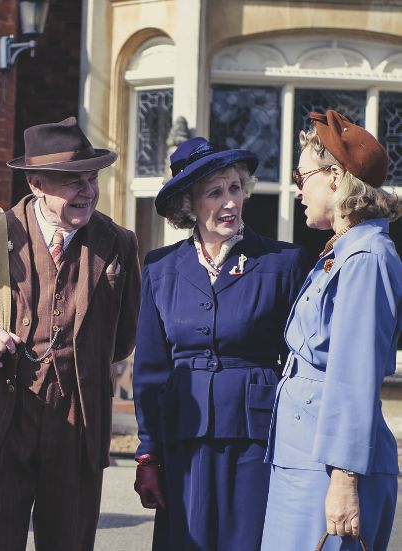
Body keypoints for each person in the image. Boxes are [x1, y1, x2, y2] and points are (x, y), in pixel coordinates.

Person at [0, 116, 141, 551]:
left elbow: (123, 338)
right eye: (72, 182)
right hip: (0, 420)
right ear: (35, 183)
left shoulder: (118, 243)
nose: (88, 191)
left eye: (92, 178)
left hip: (77, 424)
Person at [132, 137, 309, 551]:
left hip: (256, 439)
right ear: (188, 205)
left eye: (235, 188)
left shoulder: (283, 263)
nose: (230, 202)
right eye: (215, 192)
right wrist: (148, 454)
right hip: (183, 440)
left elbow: (303, 361)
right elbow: (151, 371)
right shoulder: (161, 268)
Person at [261, 110, 402, 551]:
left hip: (330, 471)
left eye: (303, 175)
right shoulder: (342, 251)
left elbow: (353, 375)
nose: (298, 187)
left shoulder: (366, 257)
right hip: (304, 462)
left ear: (336, 177)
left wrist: (343, 479)